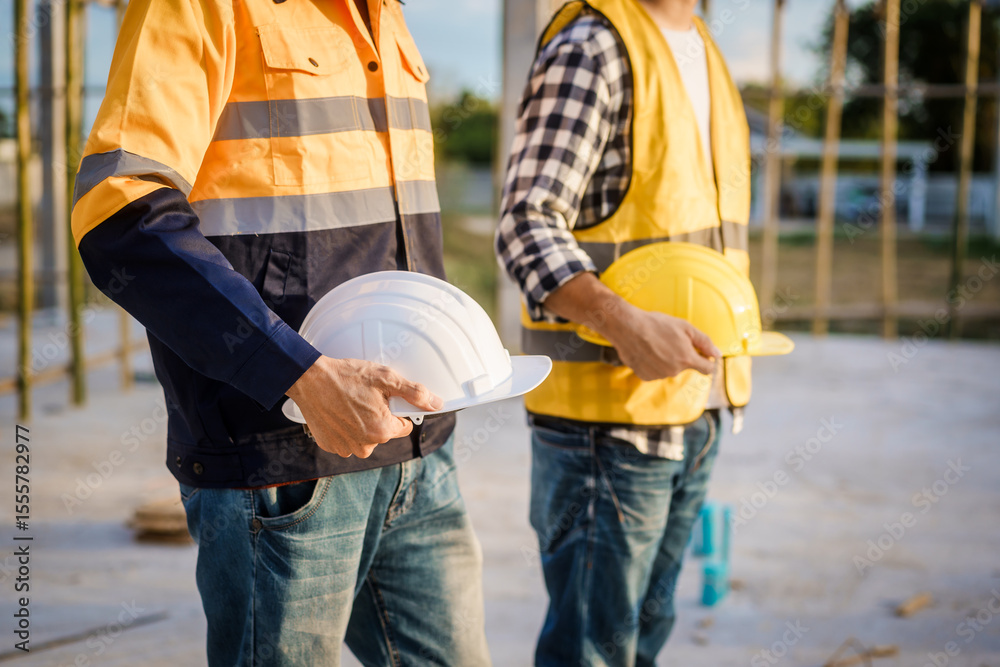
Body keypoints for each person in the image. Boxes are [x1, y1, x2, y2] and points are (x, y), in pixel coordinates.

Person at [71, 0, 490, 664]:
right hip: (278, 465)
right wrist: (296, 371)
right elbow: (119, 217)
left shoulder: (387, 17)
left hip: (416, 453)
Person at [496, 0, 752, 664]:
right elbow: (526, 225)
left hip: (695, 406)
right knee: (592, 650)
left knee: (639, 642)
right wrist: (623, 324)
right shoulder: (594, 46)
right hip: (604, 427)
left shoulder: (700, 47)